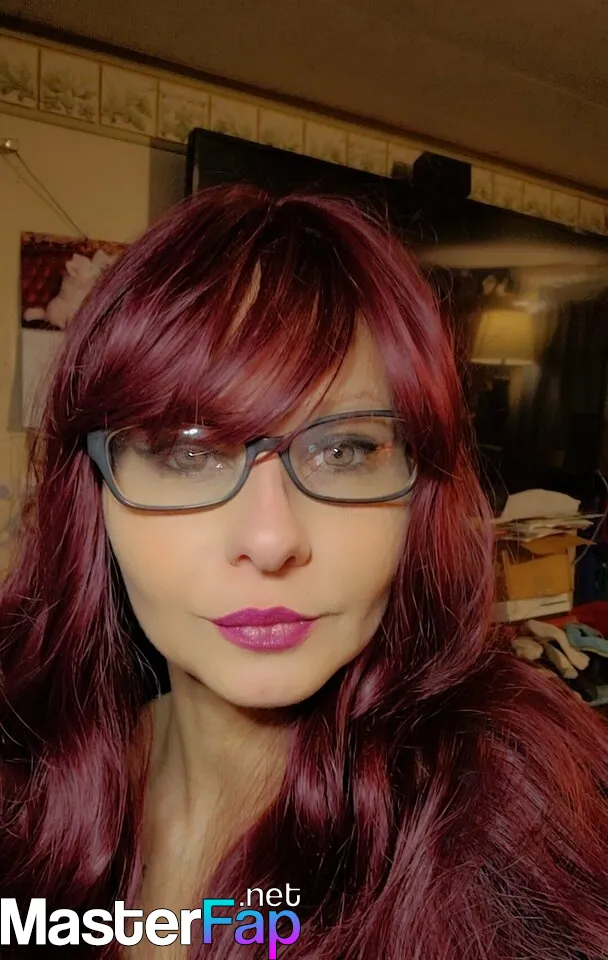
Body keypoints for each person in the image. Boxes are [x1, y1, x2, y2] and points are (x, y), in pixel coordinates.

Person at [1, 184, 607, 960]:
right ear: (96, 492)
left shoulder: (509, 824)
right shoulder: (25, 769)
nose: (271, 538)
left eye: (344, 450)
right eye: (187, 452)